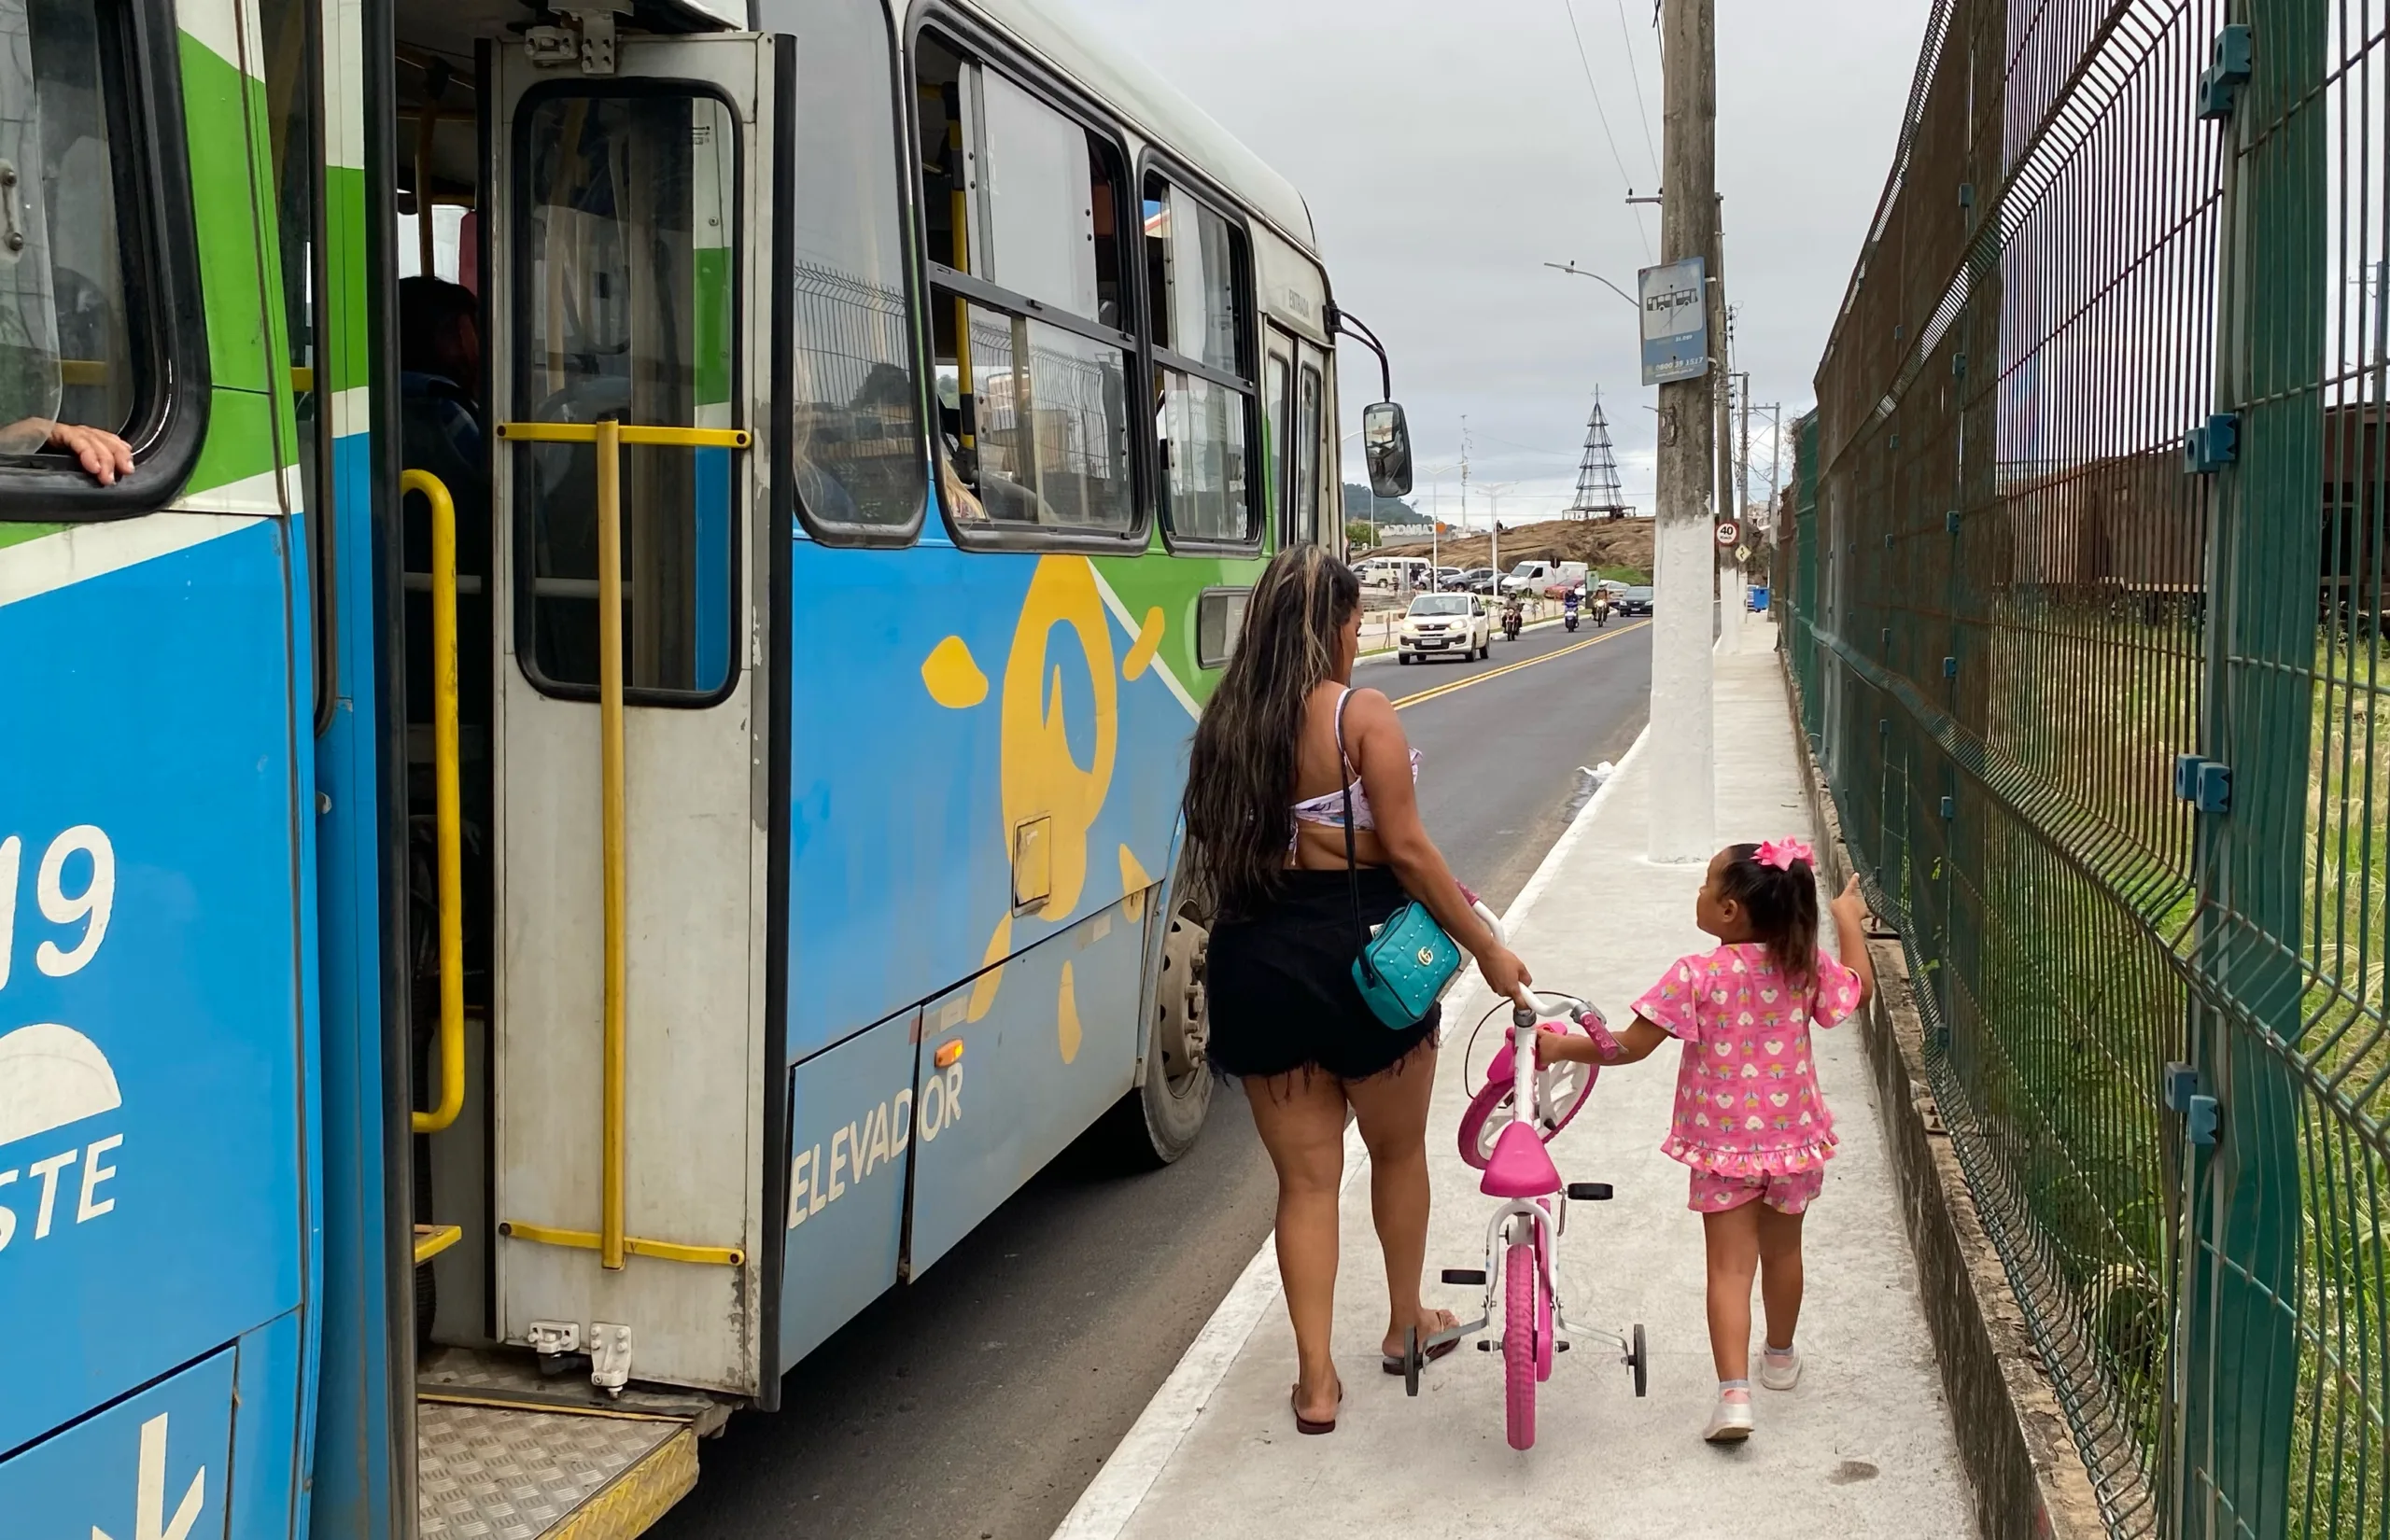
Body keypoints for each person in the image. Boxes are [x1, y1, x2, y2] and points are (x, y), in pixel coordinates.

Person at [1185, 544, 1532, 1436]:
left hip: (1255, 962)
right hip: (1363, 962)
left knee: (1304, 1184)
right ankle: (1406, 1320)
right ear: (1336, 627)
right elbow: (1409, 852)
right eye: (1350, 622)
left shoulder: (1225, 724)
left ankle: (1314, 1384)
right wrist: (1485, 946)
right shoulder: (1361, 715)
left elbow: (1223, 856)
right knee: (1398, 1153)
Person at [1537, 837, 1874, 1444]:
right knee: (1784, 1254)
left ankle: (1734, 1397)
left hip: (1722, 1151)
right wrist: (1848, 922)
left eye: (1706, 884)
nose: (1698, 892)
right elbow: (1856, 988)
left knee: (1728, 1268)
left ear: (1729, 912)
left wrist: (1562, 1046)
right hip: (1795, 1142)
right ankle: (1778, 1356)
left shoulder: (1696, 975)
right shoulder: (1802, 965)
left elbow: (1627, 1048)